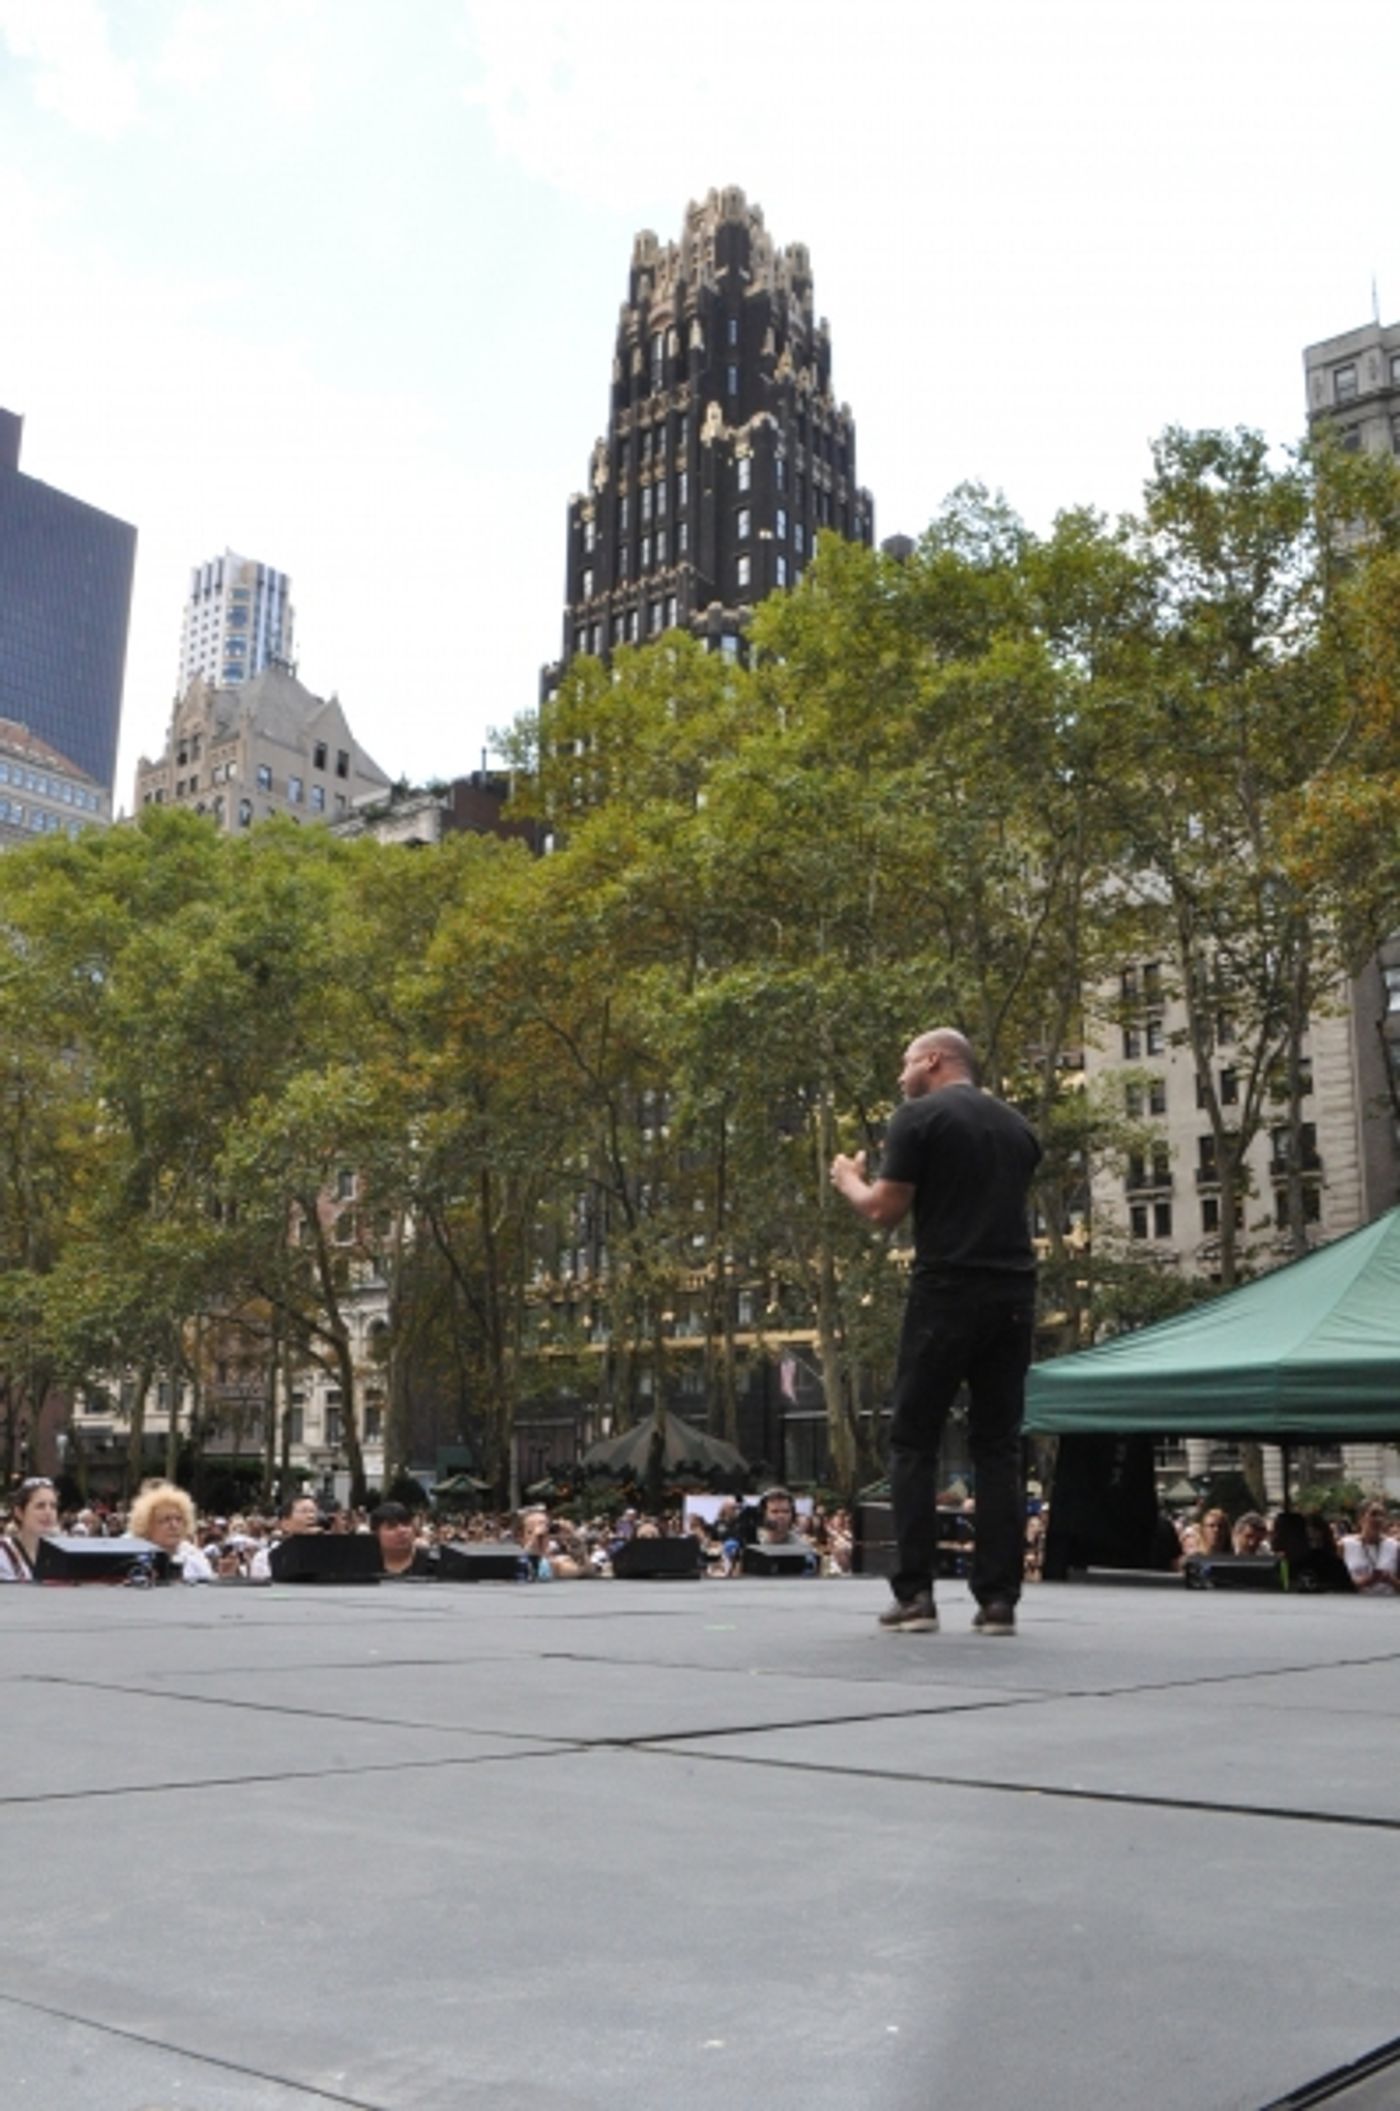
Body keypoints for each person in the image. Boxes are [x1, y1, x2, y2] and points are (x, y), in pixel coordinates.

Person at [831, 1027, 1040, 1638]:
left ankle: (916, 1593)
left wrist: (847, 1175)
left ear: (932, 1061)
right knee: (998, 1444)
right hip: (1014, 1294)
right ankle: (998, 1602)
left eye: (904, 1065)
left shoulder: (918, 1117)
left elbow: (882, 1210)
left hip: (946, 1290)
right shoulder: (1019, 1128)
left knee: (914, 1439)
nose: (900, 1077)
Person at [128, 1480, 214, 1582]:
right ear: (146, 1526)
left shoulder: (195, 1557)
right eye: (166, 1519)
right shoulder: (132, 1557)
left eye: (179, 1519)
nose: (174, 1525)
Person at [0, 1476, 61, 1582]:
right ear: (19, 1512)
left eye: (53, 1506)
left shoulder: (63, 1552)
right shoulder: (3, 1553)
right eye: (40, 1506)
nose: (48, 1512)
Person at [249, 1493, 322, 1580]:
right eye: (304, 1511)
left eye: (313, 1512)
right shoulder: (264, 1557)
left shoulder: (326, 1553)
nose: (311, 1516)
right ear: (285, 1523)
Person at [1339, 1501, 1400, 1595]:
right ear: (1361, 1518)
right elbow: (1339, 1585)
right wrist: (1368, 1580)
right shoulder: (1345, 1545)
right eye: (1373, 1514)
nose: (1378, 1519)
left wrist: (1390, 1579)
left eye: (1382, 1515)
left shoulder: (1395, 1547)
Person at [371, 1501, 435, 1577]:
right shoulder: (364, 1566)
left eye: (406, 1524)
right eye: (392, 1526)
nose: (402, 1531)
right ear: (376, 1534)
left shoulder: (435, 1563)